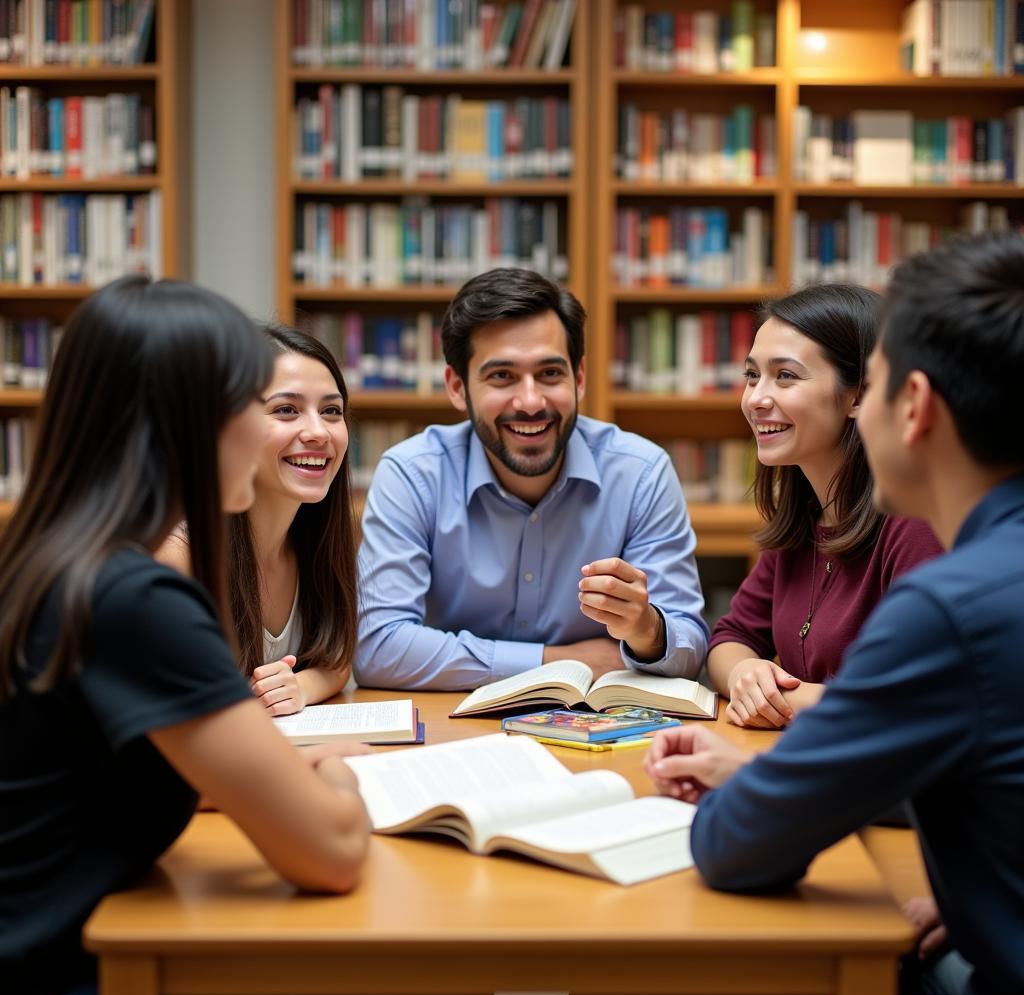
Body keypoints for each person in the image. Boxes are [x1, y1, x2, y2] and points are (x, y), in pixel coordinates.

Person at [644, 231, 1024, 995]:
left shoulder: (950, 602)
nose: (756, 397)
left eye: (875, 384)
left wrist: (770, 786)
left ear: (907, 406)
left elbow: (735, 848)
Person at [0, 278, 383, 995]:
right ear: (185, 421)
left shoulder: (63, 560)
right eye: (253, 403)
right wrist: (337, 772)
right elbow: (331, 852)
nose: (278, 430)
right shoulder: (135, 597)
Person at [354, 267, 709, 691]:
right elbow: (378, 648)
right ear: (456, 386)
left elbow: (688, 645)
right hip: (455, 733)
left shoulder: (640, 473)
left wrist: (647, 629)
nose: (529, 402)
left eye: (550, 374)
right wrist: (558, 663)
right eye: (501, 376)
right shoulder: (412, 474)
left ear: (578, 379)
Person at [708, 284, 941, 729]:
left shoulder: (915, 523)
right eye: (752, 375)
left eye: (786, 376)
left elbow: (921, 698)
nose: (755, 398)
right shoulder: (804, 518)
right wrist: (745, 674)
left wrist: (782, 700)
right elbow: (731, 636)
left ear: (860, 396)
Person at [160, 324, 358, 716]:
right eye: (286, 410)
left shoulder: (315, 543)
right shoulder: (181, 559)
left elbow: (336, 660)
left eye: (331, 411)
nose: (318, 432)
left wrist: (298, 686)